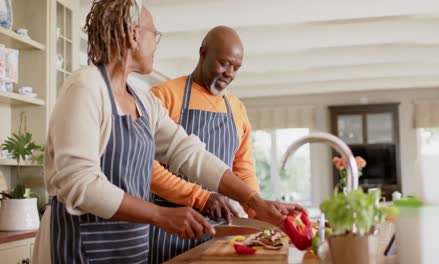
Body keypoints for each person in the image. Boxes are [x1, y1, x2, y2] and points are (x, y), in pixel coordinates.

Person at [32, 1, 301, 263]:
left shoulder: (142, 100)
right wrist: (160, 215)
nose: (155, 44)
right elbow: (80, 184)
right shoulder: (86, 87)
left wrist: (256, 201)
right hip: (80, 245)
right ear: (133, 34)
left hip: (129, 247)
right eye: (154, 34)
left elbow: (189, 153)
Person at [148, 26, 264, 263]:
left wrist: (259, 213)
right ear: (202, 53)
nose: (229, 73)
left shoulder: (237, 109)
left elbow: (244, 171)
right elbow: (143, 166)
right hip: (168, 230)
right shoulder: (164, 96)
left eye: (236, 67)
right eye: (224, 63)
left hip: (220, 233)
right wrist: (200, 197)